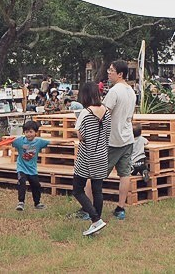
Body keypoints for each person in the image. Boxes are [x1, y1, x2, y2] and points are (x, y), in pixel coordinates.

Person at [73, 81, 109, 236]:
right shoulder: (106, 111)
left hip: (87, 155)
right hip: (102, 153)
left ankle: (95, 219)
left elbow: (81, 136)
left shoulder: (85, 113)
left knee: (77, 190)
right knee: (97, 189)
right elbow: (107, 132)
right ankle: (97, 222)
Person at [103, 60, 135, 221]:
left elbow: (103, 114)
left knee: (94, 174)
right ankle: (120, 208)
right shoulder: (131, 91)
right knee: (125, 174)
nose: (108, 73)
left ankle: (87, 208)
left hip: (112, 140)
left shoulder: (114, 91)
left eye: (111, 70)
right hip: (127, 138)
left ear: (120, 74)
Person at [11, 120, 50, 210]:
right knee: (22, 183)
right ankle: (21, 202)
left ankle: (37, 203)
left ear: (36, 132)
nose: (29, 134)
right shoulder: (19, 141)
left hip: (32, 169)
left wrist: (67, 142)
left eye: (31, 132)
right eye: (26, 132)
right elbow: (9, 141)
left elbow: (50, 142)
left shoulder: (39, 142)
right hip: (22, 167)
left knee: (36, 185)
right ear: (24, 132)